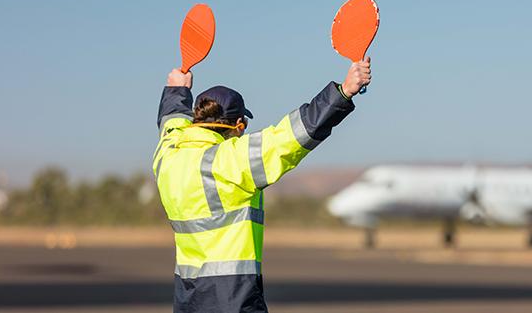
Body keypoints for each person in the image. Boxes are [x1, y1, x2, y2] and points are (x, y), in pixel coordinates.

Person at [152, 58, 372, 312]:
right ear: (238, 126)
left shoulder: (168, 154)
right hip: (233, 299)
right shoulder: (231, 161)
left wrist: (177, 89)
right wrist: (344, 91)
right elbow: (291, 136)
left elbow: (171, 120)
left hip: (187, 300)